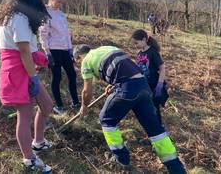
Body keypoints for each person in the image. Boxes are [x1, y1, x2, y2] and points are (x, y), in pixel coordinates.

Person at [73, 44, 186, 173]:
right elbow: (124, 68)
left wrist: (84, 106)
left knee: (106, 119)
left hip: (126, 87)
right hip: (143, 86)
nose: (78, 63)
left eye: (77, 61)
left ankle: (121, 159)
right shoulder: (108, 48)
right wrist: (113, 84)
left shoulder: (86, 61)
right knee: (155, 130)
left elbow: (87, 91)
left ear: (78, 57)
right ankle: (176, 168)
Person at [0, 0, 53, 173]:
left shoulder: (18, 18)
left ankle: (38, 142)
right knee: (25, 115)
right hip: (18, 72)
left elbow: (28, 49)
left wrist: (42, 59)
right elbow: (23, 51)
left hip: (25, 69)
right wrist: (33, 77)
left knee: (46, 105)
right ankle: (29, 160)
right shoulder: (18, 18)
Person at [39, 0, 80, 114]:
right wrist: (47, 52)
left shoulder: (61, 15)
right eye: (58, 1)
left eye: (62, 2)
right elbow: (43, 33)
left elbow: (66, 34)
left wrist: (70, 50)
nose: (60, 4)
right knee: (56, 77)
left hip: (64, 49)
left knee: (72, 75)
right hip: (53, 50)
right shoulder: (45, 13)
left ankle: (75, 102)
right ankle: (60, 105)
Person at [131, 29, 168, 124]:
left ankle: (159, 130)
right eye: (134, 43)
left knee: (155, 109)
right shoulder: (139, 54)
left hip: (154, 86)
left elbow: (162, 68)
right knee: (147, 109)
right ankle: (151, 131)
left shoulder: (152, 52)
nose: (135, 45)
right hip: (144, 86)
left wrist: (160, 84)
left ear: (144, 39)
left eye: (136, 43)